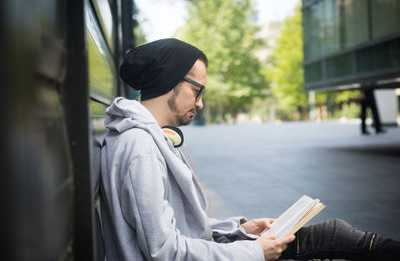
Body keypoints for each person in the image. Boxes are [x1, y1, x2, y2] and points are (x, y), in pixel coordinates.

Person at [100, 38, 399, 260]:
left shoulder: (144, 140)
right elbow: (164, 252)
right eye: (197, 90)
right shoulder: (140, 149)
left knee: (333, 233)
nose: (200, 103)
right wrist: (254, 252)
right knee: (332, 236)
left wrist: (242, 229)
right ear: (170, 82)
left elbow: (176, 230)